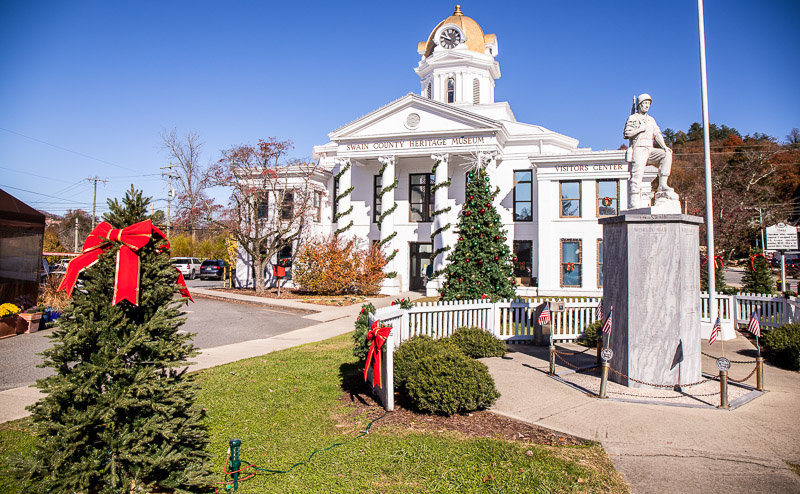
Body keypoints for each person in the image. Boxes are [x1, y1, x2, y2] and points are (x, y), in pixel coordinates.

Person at [623, 93, 678, 209]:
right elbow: (626, 133)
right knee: (637, 175)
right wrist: (639, 130)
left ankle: (662, 184)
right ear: (639, 104)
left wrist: (664, 147)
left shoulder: (651, 120)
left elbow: (657, 134)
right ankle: (634, 202)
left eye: (648, 103)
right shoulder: (633, 118)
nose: (647, 106)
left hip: (650, 148)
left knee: (666, 154)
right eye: (645, 103)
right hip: (639, 148)